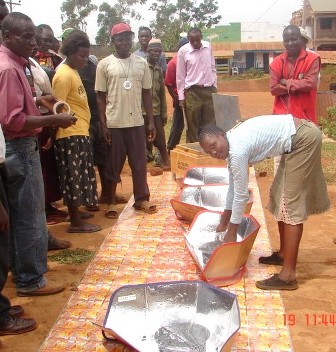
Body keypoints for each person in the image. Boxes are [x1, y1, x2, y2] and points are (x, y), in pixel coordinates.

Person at [199, 115, 330, 291]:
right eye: (209, 151)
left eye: (214, 145)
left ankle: (288, 275)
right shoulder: (231, 145)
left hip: (303, 139)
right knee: (278, 197)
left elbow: (240, 194)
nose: (214, 152)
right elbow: (233, 188)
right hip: (296, 139)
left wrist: (232, 232)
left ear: (222, 135)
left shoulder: (237, 150)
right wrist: (224, 219)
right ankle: (284, 254)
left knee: (290, 205)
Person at [0, 12, 77, 296]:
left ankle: (22, 272)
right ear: (8, 37)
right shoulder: (8, 68)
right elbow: (13, 120)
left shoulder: (13, 65)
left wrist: (36, 101)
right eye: (27, 36)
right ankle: (31, 280)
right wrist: (52, 121)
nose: (33, 42)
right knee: (29, 216)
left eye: (34, 35)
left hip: (16, 148)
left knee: (21, 213)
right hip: (19, 148)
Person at [95, 22, 157, 219]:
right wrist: (103, 124)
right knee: (114, 165)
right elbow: (100, 97)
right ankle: (111, 201)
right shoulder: (104, 64)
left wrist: (151, 121)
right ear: (113, 41)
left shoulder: (141, 63)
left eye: (127, 38)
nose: (124, 42)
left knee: (139, 163)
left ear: (132, 39)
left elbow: (147, 93)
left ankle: (142, 199)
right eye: (119, 38)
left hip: (137, 123)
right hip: (114, 123)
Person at [52, 30, 101, 233]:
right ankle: (75, 222)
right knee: (72, 177)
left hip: (80, 131)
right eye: (81, 56)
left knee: (81, 175)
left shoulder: (73, 71)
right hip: (69, 134)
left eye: (86, 56)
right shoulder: (63, 75)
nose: (84, 60)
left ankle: (77, 212)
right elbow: (57, 107)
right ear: (70, 52)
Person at [270, 25, 320, 125]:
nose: (290, 43)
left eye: (293, 39)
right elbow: (273, 88)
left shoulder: (312, 59)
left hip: (305, 119)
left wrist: (286, 82)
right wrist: (298, 87)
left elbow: (310, 84)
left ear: (301, 40)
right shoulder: (277, 62)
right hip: (281, 119)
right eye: (286, 40)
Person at [176, 27, 217, 143]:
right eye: (192, 41)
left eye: (198, 40)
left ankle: (208, 153)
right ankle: (193, 153)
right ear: (188, 39)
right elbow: (180, 76)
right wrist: (181, 97)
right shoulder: (183, 51)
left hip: (209, 90)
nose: (195, 43)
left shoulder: (208, 47)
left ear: (201, 37)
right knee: (192, 125)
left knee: (209, 124)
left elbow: (213, 68)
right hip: (193, 93)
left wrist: (215, 86)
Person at [143, 38, 170, 170]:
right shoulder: (142, 67)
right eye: (154, 51)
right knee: (140, 140)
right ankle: (140, 166)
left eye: (159, 52)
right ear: (148, 51)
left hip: (156, 111)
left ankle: (166, 162)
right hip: (142, 111)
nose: (156, 54)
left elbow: (162, 94)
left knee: (160, 138)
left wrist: (164, 113)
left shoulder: (159, 70)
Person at [165, 37, 189, 153]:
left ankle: (192, 147)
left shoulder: (190, 61)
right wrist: (176, 98)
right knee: (177, 126)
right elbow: (168, 83)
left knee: (193, 126)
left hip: (192, 99)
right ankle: (170, 148)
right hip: (180, 99)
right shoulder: (173, 63)